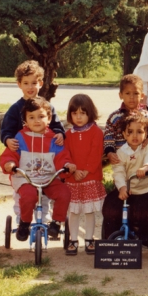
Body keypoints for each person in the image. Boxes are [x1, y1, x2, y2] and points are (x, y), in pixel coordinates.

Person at [0, 97, 76, 242]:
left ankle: (56, 223)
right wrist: (9, 163)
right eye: (31, 117)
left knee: (64, 193)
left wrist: (67, 165)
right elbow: (10, 154)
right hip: (26, 178)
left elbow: (62, 157)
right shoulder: (20, 137)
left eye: (41, 116)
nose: (36, 121)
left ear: (49, 119)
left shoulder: (54, 139)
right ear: (25, 121)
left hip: (49, 177)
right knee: (29, 196)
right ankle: (24, 223)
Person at [107, 111, 148, 262]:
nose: (135, 136)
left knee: (147, 215)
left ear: (146, 134)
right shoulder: (121, 152)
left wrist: (146, 167)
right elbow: (118, 171)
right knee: (111, 206)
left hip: (147, 189)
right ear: (124, 135)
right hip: (129, 189)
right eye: (130, 132)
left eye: (140, 132)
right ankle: (111, 241)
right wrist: (121, 187)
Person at [63, 94, 106, 256]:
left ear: (90, 113)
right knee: (73, 211)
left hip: (90, 177)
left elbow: (95, 154)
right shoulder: (68, 134)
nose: (78, 117)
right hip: (73, 178)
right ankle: (73, 239)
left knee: (89, 211)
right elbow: (65, 154)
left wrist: (86, 170)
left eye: (83, 113)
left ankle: (89, 239)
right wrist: (73, 171)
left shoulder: (96, 132)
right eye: (75, 113)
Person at [0, 60, 66, 150]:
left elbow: (56, 126)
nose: (30, 87)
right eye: (26, 83)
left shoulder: (48, 107)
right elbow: (6, 130)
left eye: (34, 83)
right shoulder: (15, 109)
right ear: (19, 84)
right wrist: (8, 139)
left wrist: (59, 134)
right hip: (23, 151)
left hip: (45, 151)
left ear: (41, 84)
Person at [103, 74, 148, 164]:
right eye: (127, 93)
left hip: (140, 162)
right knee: (120, 177)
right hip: (121, 161)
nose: (131, 97)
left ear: (142, 95)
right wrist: (110, 152)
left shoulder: (146, 116)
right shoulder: (114, 117)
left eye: (136, 93)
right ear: (120, 95)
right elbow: (108, 136)